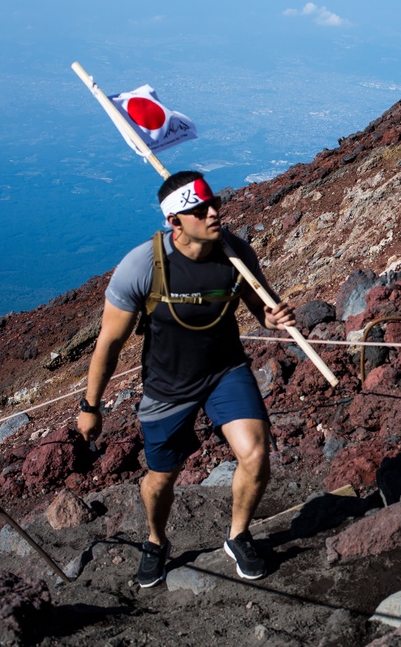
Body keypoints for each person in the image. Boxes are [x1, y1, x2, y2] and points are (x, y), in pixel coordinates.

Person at [77, 170, 294, 588]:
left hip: (224, 370)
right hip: (167, 386)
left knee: (255, 453)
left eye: (214, 203)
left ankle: (238, 535)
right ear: (174, 222)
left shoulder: (235, 253)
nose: (214, 213)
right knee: (161, 479)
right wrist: (90, 406)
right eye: (200, 209)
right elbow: (108, 343)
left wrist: (274, 316)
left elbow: (260, 306)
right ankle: (156, 540)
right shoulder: (142, 265)